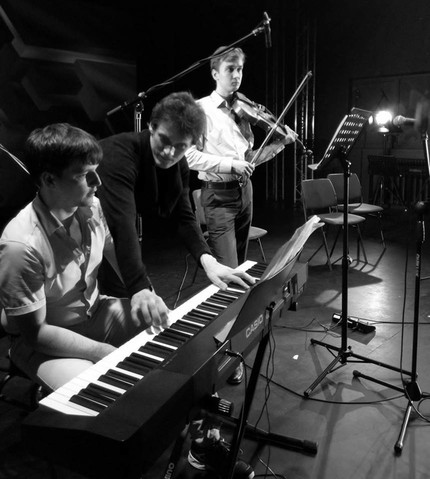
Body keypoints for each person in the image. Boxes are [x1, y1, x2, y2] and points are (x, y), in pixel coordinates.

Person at [96, 91, 255, 479]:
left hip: (108, 240)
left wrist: (209, 261)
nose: (169, 153)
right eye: (164, 141)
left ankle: (196, 437)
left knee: (170, 338)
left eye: (180, 147)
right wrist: (140, 285)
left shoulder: (177, 161)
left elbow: (184, 215)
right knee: (142, 333)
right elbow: (121, 225)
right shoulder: (118, 155)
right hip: (92, 240)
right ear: (151, 127)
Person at [0, 123, 158, 392]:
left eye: (96, 171)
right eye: (85, 175)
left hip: (95, 312)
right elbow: (36, 333)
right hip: (44, 338)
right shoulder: (21, 244)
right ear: (49, 180)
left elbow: (117, 255)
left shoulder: (92, 206)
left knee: (170, 328)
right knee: (99, 389)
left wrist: (144, 292)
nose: (98, 182)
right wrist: (102, 351)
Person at [186, 46, 297, 269]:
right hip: (218, 197)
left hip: (245, 192)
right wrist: (231, 165)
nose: (236, 75)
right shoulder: (199, 110)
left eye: (240, 69)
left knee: (241, 265)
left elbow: (248, 159)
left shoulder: (244, 110)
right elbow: (189, 157)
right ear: (215, 73)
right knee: (229, 268)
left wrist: (279, 144)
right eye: (230, 69)